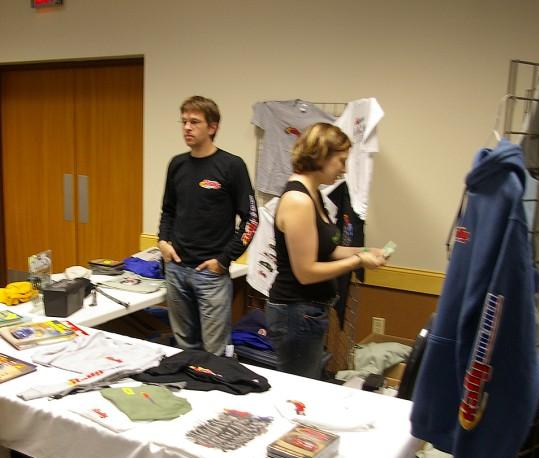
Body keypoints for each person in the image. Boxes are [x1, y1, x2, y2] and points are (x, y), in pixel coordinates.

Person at [266, 123, 387, 379]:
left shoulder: (314, 195)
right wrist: (358, 261)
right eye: (341, 161)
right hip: (295, 312)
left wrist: (366, 250)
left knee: (306, 384)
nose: (343, 169)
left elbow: (328, 251)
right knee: (298, 392)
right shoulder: (299, 201)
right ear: (321, 155)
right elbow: (306, 272)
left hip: (307, 311)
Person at [158, 95, 259, 356]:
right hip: (176, 270)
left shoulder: (232, 166)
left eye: (194, 122)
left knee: (215, 352)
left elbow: (251, 219)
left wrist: (224, 260)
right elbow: (168, 210)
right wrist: (163, 242)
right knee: (185, 348)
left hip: (210, 275)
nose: (187, 128)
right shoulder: (177, 164)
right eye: (183, 122)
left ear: (212, 127)